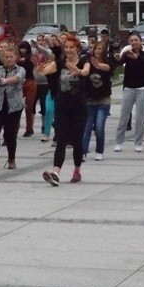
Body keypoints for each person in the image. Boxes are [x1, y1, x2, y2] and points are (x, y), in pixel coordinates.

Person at [40, 35, 90, 186]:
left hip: (79, 107)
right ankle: (55, 173)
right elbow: (46, 71)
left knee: (76, 140)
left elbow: (86, 71)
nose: (68, 50)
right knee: (60, 139)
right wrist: (42, 69)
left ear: (77, 49)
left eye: (71, 47)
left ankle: (77, 171)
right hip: (62, 106)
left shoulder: (83, 62)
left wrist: (79, 72)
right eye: (66, 47)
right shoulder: (60, 63)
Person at [0, 45, 26, 170]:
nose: (9, 59)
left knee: (10, 134)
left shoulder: (21, 69)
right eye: (6, 57)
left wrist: (6, 81)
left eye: (11, 56)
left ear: (16, 57)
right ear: (2, 58)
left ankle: (11, 159)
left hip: (14, 106)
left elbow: (17, 78)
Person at [113, 31, 144, 153]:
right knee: (124, 115)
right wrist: (117, 58)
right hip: (129, 88)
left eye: (136, 40)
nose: (134, 42)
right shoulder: (127, 52)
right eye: (132, 40)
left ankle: (138, 143)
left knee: (140, 117)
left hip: (142, 89)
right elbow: (119, 62)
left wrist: (138, 58)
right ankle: (119, 142)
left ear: (140, 41)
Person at [82, 40, 114, 161]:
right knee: (87, 127)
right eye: (96, 48)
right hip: (89, 100)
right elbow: (83, 70)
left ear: (104, 50)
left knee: (99, 126)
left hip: (103, 100)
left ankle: (99, 150)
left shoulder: (108, 62)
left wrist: (99, 66)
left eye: (100, 48)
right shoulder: (87, 62)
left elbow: (108, 68)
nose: (97, 51)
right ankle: (83, 151)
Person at [18, 41, 37, 137]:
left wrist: (23, 61)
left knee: (29, 106)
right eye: (21, 48)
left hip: (30, 82)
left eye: (24, 48)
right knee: (17, 106)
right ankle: (15, 128)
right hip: (20, 83)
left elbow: (29, 68)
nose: (22, 50)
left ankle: (29, 128)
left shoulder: (31, 58)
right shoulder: (17, 57)